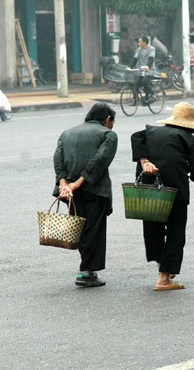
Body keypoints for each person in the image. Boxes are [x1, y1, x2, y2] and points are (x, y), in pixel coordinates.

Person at [130, 102, 194, 291]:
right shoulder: (188, 139)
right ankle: (164, 279)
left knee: (153, 228)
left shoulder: (150, 132)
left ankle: (162, 266)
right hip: (174, 191)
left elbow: (135, 137)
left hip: (148, 189)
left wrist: (144, 160)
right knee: (175, 233)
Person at [53, 103, 118, 288]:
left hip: (71, 192)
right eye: (112, 122)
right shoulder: (108, 134)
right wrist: (79, 182)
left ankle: (87, 269)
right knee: (93, 229)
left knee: (80, 228)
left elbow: (58, 158)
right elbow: (100, 160)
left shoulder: (67, 133)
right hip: (93, 188)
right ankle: (86, 272)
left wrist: (64, 183)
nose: (112, 126)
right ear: (107, 119)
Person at [127, 36, 157, 103]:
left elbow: (151, 58)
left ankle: (152, 93)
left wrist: (148, 66)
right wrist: (130, 67)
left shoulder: (151, 49)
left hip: (149, 70)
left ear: (145, 42)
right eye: (139, 42)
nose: (139, 43)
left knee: (144, 81)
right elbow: (135, 59)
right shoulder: (139, 50)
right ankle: (135, 100)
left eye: (140, 42)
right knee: (135, 84)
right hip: (141, 70)